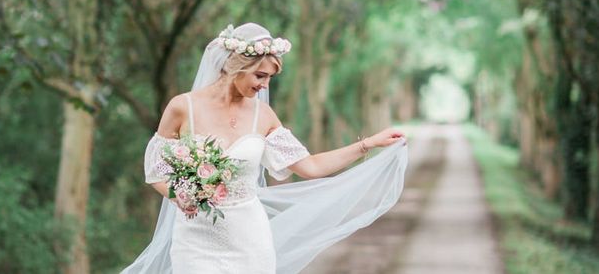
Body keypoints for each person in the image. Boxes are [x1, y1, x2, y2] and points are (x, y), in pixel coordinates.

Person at [121, 23, 409, 274]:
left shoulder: (264, 116)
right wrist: (180, 197)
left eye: (270, 78)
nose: (265, 85)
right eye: (260, 76)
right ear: (235, 67)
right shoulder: (183, 108)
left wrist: (368, 144)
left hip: (249, 238)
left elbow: (311, 167)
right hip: (195, 239)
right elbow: (156, 170)